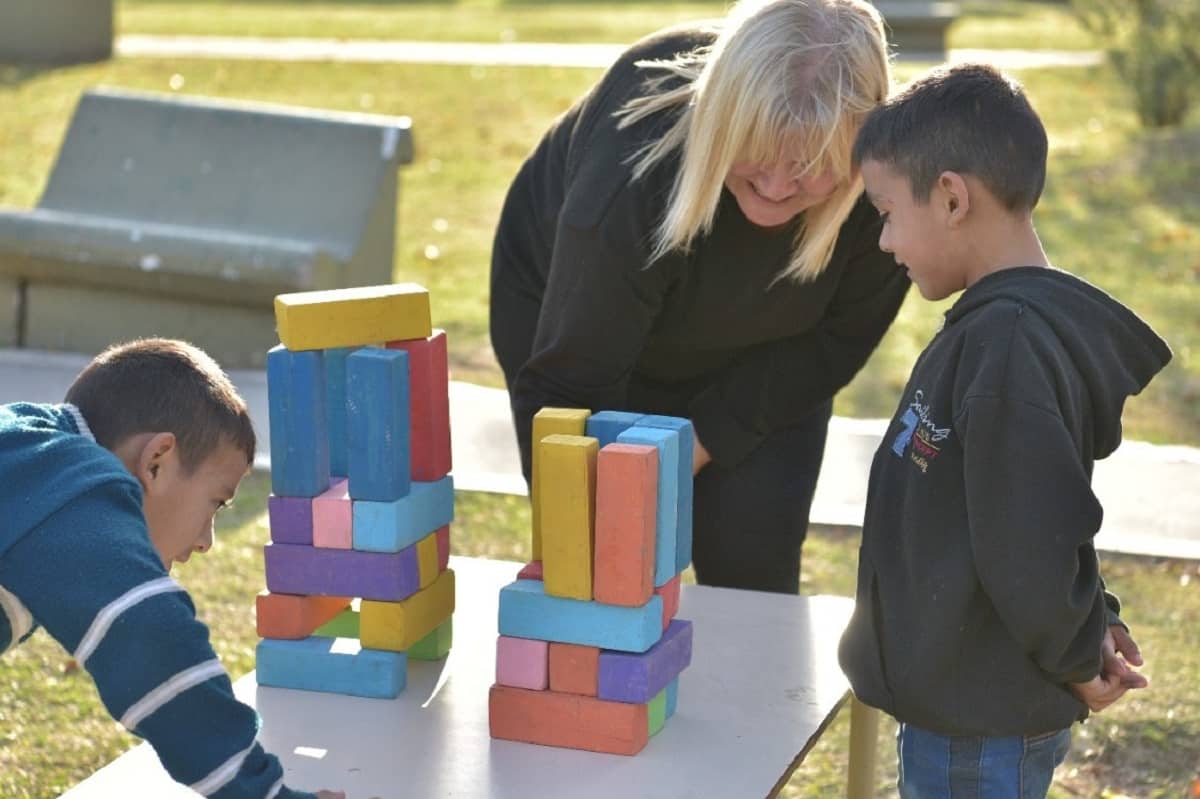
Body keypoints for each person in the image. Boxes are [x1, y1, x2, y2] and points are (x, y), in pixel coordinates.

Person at [489, 0, 910, 593]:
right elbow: (571, 383)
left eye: (813, 165)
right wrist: (586, 530)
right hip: (587, 332)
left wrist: (704, 440)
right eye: (758, 149)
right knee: (608, 571)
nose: (777, 184)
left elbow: (838, 339)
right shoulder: (634, 159)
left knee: (752, 567)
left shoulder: (889, 179)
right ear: (720, 119)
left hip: (770, 356)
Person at [837, 63, 1171, 796]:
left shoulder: (1009, 347)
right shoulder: (999, 332)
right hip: (962, 705)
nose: (886, 240)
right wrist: (1096, 618)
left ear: (952, 197)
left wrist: (1082, 656)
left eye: (887, 211)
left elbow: (1031, 541)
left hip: (978, 722)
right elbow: (1040, 508)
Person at [0, 339, 344, 799]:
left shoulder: (30, 459)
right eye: (215, 503)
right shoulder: (67, 482)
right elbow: (149, 639)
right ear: (157, 461)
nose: (206, 541)